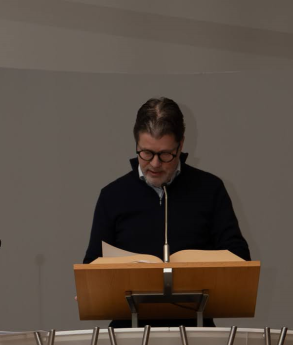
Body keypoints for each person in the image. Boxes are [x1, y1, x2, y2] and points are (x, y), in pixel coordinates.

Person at [83, 97, 250, 264]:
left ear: (180, 145)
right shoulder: (112, 196)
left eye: (165, 154)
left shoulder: (211, 190)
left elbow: (239, 258)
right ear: (137, 144)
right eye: (146, 153)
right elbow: (91, 267)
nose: (155, 164)